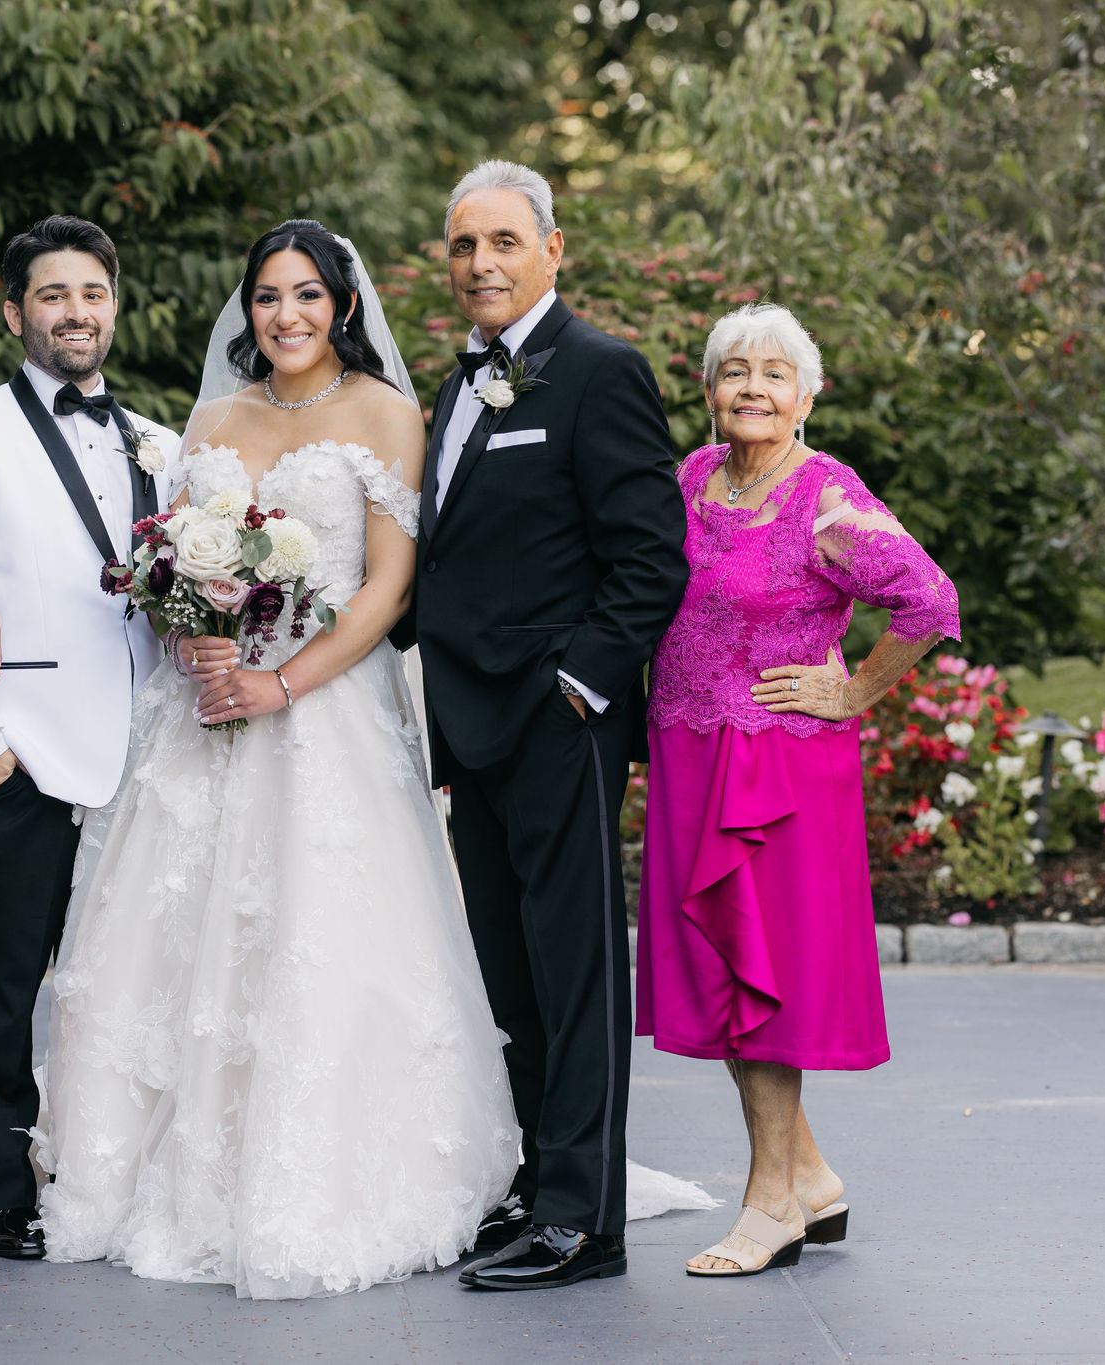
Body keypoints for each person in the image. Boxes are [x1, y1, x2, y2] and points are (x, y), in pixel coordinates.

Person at [34, 218, 520, 1300]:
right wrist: (190, 634)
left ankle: (314, 1176)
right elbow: (166, 563)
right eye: (267, 296)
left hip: (324, 713)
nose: (286, 315)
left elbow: (387, 587)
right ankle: (147, 1171)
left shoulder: (386, 413)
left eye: (306, 294)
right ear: (246, 310)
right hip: (201, 713)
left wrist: (283, 681)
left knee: (311, 930)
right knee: (172, 933)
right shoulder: (212, 417)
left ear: (341, 305)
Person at [406, 160, 691, 1291]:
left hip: (556, 720)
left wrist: (579, 687)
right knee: (508, 969)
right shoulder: (454, 386)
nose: (480, 263)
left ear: (552, 249)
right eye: (462, 245)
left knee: (575, 975)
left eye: (503, 242)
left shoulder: (600, 371)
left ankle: (585, 1219)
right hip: (467, 721)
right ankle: (536, 1183)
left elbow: (650, 557)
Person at [639, 303, 959, 1276]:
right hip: (691, 754)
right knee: (729, 979)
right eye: (733, 371)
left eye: (774, 374)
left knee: (765, 986)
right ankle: (810, 1178)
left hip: (776, 768)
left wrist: (854, 690)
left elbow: (928, 600)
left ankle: (770, 1202)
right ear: (706, 389)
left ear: (806, 396)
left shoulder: (826, 496)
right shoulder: (691, 477)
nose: (752, 388)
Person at [0, 215, 179, 1261]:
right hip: (23, 740)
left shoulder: (156, 439)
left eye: (92, 294)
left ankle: (106, 1168)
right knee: (9, 981)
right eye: (53, 295)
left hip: (146, 747)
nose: (76, 312)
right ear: (13, 311)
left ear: (114, 306)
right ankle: (2, 1189)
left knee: (121, 977)